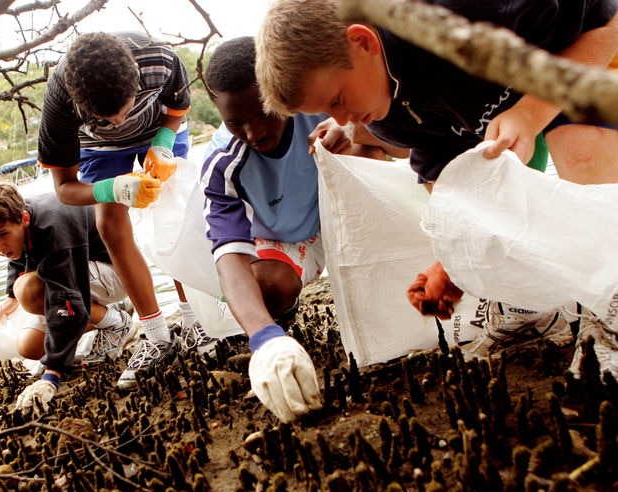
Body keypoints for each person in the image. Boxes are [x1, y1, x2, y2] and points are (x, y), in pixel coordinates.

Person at [255, 0, 618, 376]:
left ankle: (612, 310)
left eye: (338, 100)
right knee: (474, 204)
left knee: (580, 152)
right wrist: (455, 262)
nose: (343, 120)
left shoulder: (466, 13)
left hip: (584, 53)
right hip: (515, 96)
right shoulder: (386, 118)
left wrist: (530, 113)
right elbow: (456, 192)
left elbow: (606, 25)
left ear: (362, 42)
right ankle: (528, 310)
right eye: (328, 111)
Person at [201, 36, 406, 423]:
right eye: (235, 122)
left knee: (365, 147)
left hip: (342, 219)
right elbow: (229, 258)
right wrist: (263, 338)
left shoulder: (319, 104)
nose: (254, 131)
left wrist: (355, 133)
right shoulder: (223, 165)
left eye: (263, 110)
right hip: (288, 240)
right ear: (219, 114)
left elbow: (412, 143)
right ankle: (283, 319)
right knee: (267, 288)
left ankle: (380, 284)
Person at [37, 31, 215, 391]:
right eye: (104, 116)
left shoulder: (159, 58)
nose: (118, 122)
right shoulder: (60, 102)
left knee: (173, 213)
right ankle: (156, 334)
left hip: (157, 128)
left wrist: (164, 144)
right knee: (110, 226)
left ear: (136, 79)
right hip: (98, 150)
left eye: (123, 108)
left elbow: (178, 106)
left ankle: (195, 317)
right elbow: (64, 189)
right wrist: (111, 188)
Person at [0, 182, 136, 416]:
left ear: (24, 218)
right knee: (28, 346)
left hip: (117, 273)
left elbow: (67, 302)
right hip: (82, 276)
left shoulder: (52, 227)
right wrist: (10, 297)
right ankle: (112, 311)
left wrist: (52, 376)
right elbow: (17, 254)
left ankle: (117, 322)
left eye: (3, 234)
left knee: (28, 290)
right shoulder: (23, 221)